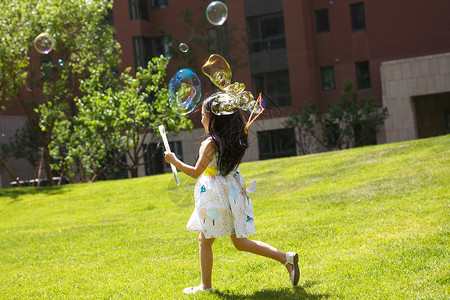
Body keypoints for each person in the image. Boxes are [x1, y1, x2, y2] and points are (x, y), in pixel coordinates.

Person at [164, 92, 299, 294]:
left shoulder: (211, 143)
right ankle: (286, 258)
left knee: (205, 240)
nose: (201, 119)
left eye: (203, 115)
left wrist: (174, 160)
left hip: (215, 197)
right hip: (232, 193)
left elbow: (195, 172)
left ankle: (205, 286)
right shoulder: (233, 138)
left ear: (214, 119)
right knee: (239, 242)